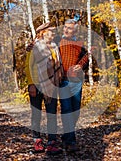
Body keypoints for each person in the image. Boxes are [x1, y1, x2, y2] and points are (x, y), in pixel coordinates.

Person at [25, 22, 63, 155]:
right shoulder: (34, 46)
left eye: (54, 31)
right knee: (36, 114)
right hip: (37, 84)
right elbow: (28, 66)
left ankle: (51, 143)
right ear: (43, 32)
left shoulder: (55, 47)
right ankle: (37, 141)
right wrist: (31, 84)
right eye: (51, 31)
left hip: (51, 86)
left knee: (52, 114)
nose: (53, 33)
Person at [59, 19, 88, 152]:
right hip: (63, 81)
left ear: (75, 30)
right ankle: (71, 142)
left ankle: (66, 136)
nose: (66, 30)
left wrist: (81, 66)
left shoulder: (81, 44)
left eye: (69, 28)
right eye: (65, 27)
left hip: (76, 81)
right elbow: (42, 45)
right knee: (66, 110)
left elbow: (86, 59)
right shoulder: (57, 42)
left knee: (75, 111)